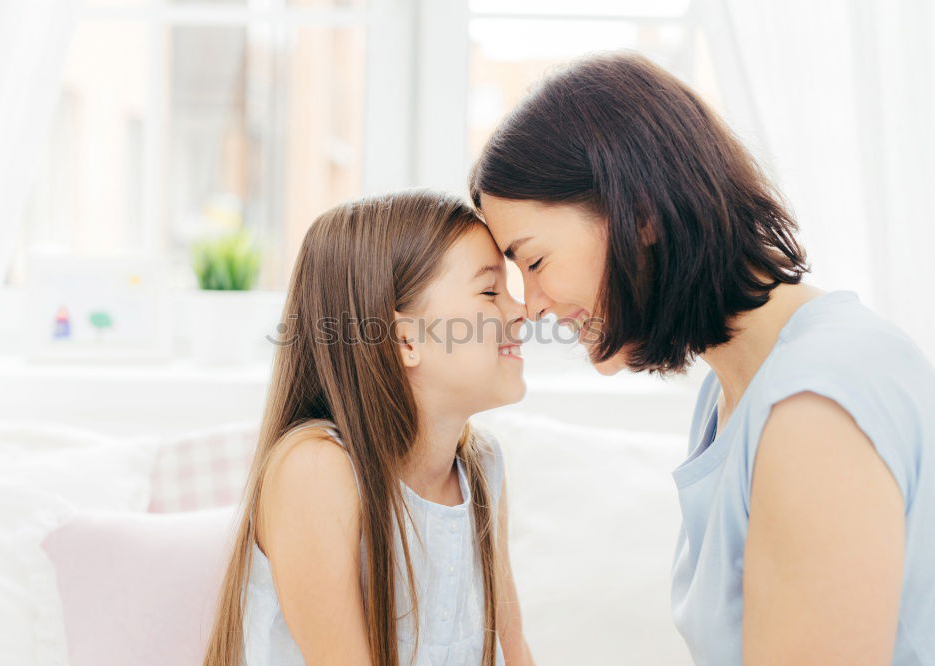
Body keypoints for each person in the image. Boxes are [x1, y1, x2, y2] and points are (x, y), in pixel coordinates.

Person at [469, 51, 935, 665]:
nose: (531, 306)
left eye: (533, 261)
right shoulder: (734, 389)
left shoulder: (815, 407)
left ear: (640, 214)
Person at [203, 189, 535, 666]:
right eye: (489, 292)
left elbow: (513, 648)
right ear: (405, 339)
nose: (521, 311)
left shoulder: (482, 465)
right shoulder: (316, 470)